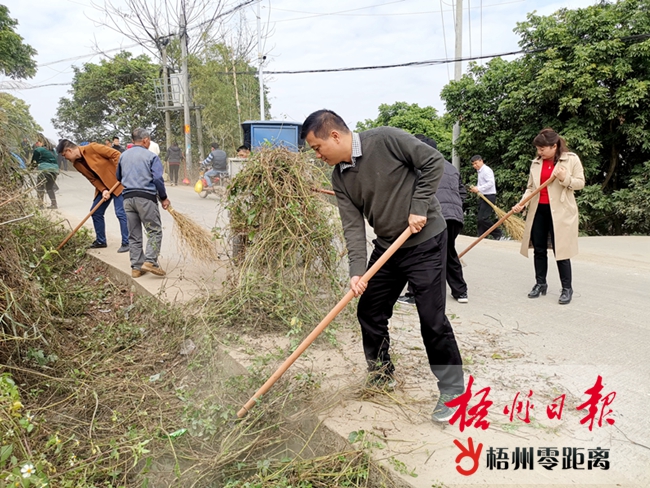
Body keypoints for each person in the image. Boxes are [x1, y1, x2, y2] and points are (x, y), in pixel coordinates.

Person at [301, 110, 465, 422]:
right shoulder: (340, 178)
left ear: (334, 136)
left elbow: (432, 161)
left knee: (432, 319)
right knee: (369, 310)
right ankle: (381, 373)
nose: (318, 155)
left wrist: (419, 207)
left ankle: (453, 390)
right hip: (388, 246)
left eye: (317, 148)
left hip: (425, 241)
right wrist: (357, 271)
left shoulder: (386, 139)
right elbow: (352, 227)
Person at [512, 128, 585, 305]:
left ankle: (567, 288)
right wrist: (522, 203)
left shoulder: (571, 160)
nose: (539, 152)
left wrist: (564, 177)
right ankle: (540, 283)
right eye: (538, 149)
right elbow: (530, 188)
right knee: (539, 249)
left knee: (561, 250)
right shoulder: (536, 163)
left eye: (542, 149)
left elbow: (580, 183)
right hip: (539, 210)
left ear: (554, 146)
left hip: (560, 211)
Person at [398, 135, 469, 304]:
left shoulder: (420, 165)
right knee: (449, 252)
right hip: (455, 217)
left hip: (435, 217)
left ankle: (414, 295)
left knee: (422, 253)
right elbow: (463, 193)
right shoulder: (451, 167)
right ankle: (461, 292)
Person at [56, 139, 130, 253]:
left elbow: (116, 154)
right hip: (103, 187)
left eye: (64, 155)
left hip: (118, 183)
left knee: (120, 212)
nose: (65, 158)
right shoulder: (76, 164)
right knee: (96, 212)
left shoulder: (92, 148)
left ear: (69, 150)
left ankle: (127, 242)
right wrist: (103, 190)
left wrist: (120, 173)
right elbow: (92, 179)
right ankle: (101, 241)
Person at [116, 128, 170, 278]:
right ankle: (150, 261)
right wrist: (164, 197)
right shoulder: (151, 156)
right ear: (145, 140)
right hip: (146, 198)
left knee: (134, 235)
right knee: (154, 231)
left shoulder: (123, 156)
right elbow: (158, 179)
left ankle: (136, 268)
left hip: (127, 198)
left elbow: (118, 177)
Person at [469, 155, 503, 240]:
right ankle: (481, 235)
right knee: (480, 217)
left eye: (476, 163)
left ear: (481, 161)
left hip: (489, 196)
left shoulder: (486, 170)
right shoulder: (480, 171)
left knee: (483, 218)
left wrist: (478, 188)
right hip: (483, 196)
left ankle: (497, 233)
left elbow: (490, 183)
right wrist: (475, 189)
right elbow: (481, 184)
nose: (475, 166)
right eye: (473, 164)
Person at [32, 134, 59, 209]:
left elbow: (34, 162)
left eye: (38, 142)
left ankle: (40, 205)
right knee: (49, 188)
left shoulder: (38, 150)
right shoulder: (52, 150)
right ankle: (54, 204)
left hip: (44, 170)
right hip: (55, 170)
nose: (37, 144)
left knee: (40, 187)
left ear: (41, 142)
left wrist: (30, 169)